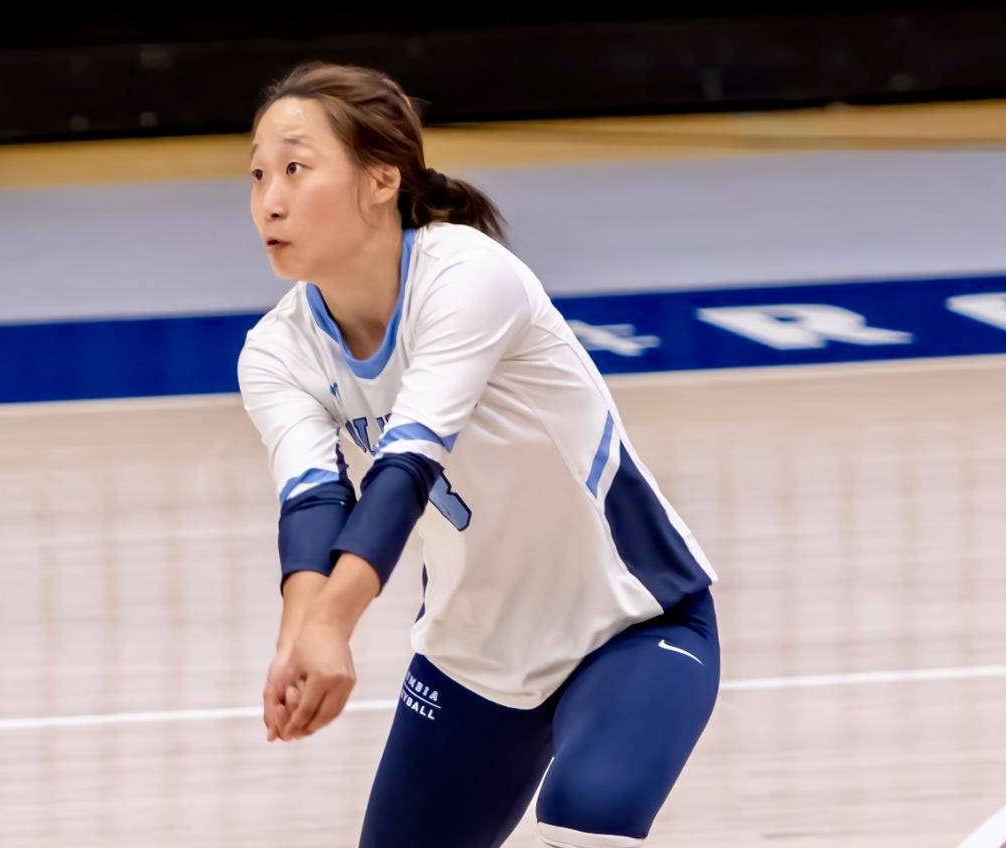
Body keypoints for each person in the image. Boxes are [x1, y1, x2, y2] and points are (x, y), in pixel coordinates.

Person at [236, 61, 722, 848]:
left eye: (296, 167)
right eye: (257, 174)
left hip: (631, 624)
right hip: (473, 659)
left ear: (381, 179)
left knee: (584, 817)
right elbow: (312, 501)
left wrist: (335, 625)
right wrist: (301, 639)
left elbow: (406, 470)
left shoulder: (467, 276)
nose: (270, 198)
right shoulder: (274, 352)